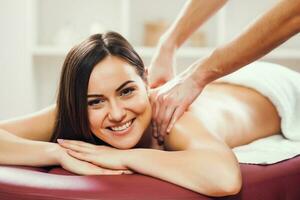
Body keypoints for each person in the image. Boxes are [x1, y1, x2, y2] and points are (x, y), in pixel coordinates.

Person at [2, 31, 299, 197]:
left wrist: (123, 157)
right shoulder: (76, 109)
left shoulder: (172, 117)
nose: (116, 113)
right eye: (96, 102)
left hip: (277, 88)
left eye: (127, 91)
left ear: (146, 81)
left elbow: (224, 178)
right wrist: (57, 153)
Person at [148, 0, 300, 142]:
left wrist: (197, 76)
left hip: (277, 85)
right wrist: (167, 45)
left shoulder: (183, 128)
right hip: (257, 79)